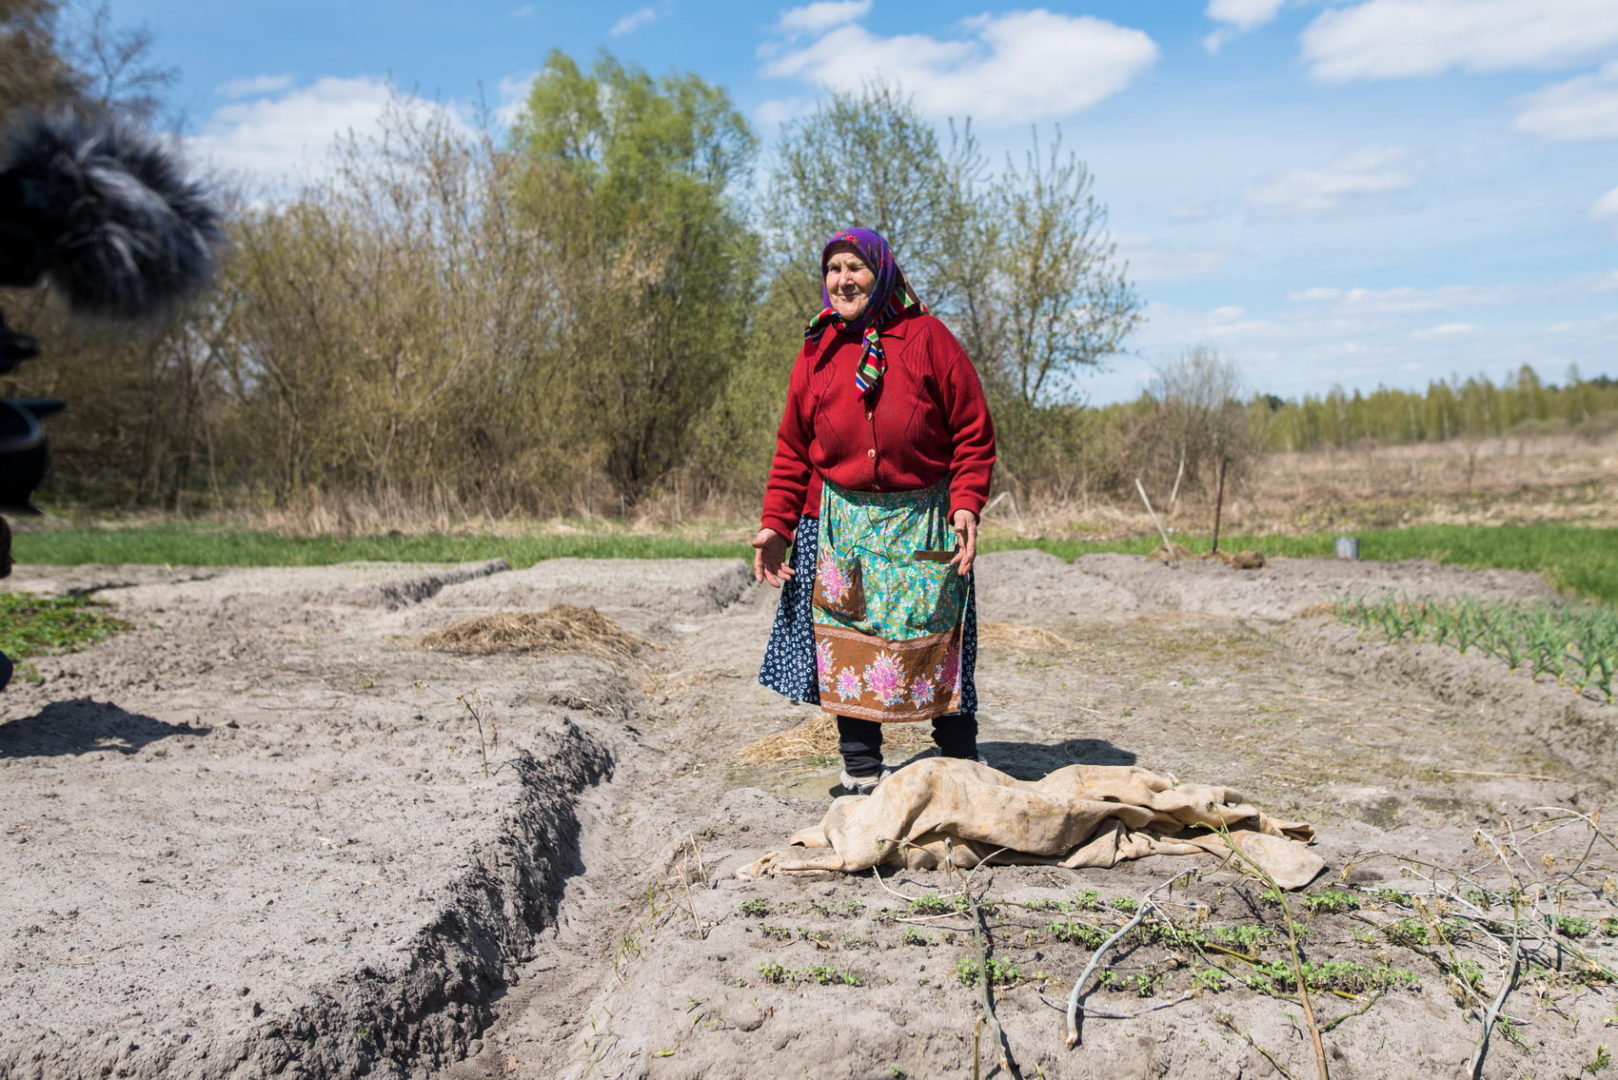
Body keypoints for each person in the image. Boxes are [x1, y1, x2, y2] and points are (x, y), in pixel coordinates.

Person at [754, 227, 995, 795]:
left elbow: (973, 432)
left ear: (880, 272)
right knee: (848, 638)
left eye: (854, 267)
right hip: (841, 525)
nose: (842, 280)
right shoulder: (817, 349)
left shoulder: (929, 338)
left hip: (924, 521)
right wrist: (775, 525)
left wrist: (966, 503)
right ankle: (861, 769)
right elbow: (793, 447)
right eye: (833, 269)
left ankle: (960, 761)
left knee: (940, 637)